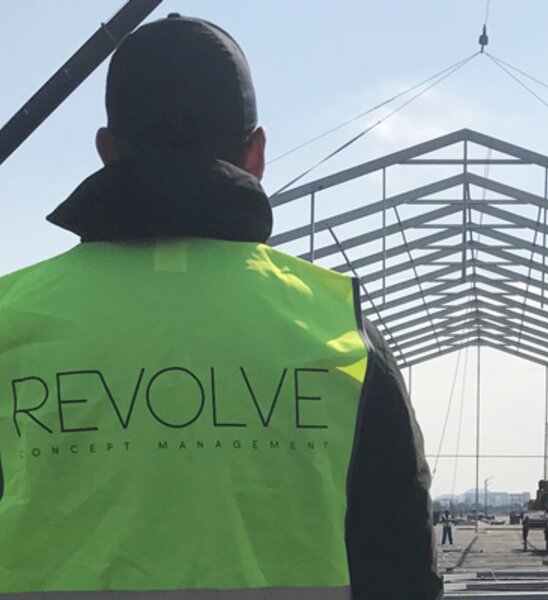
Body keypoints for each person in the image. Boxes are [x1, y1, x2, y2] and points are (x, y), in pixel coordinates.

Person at [0, 14, 442, 600]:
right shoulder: (339, 330)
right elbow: (403, 574)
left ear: (106, 150)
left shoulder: (11, 321)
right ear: (255, 154)